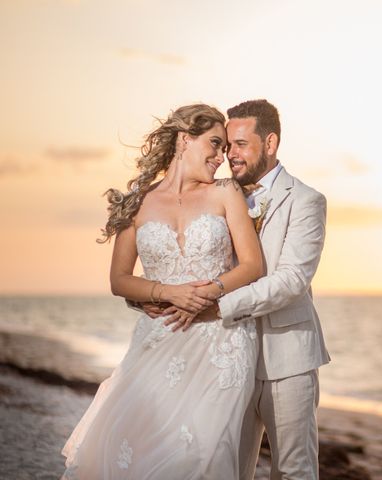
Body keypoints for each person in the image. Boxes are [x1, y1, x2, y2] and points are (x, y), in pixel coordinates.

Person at [61, 104, 264, 479]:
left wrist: (208, 294)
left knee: (199, 453)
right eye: (215, 144)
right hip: (160, 337)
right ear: (185, 139)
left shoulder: (225, 192)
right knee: (139, 445)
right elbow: (119, 279)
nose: (222, 158)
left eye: (223, 149)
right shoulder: (139, 202)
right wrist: (169, 292)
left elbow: (253, 266)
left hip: (221, 343)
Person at [161, 99, 330, 479]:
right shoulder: (218, 194)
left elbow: (291, 281)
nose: (228, 155)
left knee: (293, 471)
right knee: (227, 468)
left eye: (239, 144)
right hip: (226, 358)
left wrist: (216, 306)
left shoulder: (306, 200)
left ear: (270, 144)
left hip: (287, 360)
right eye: (223, 145)